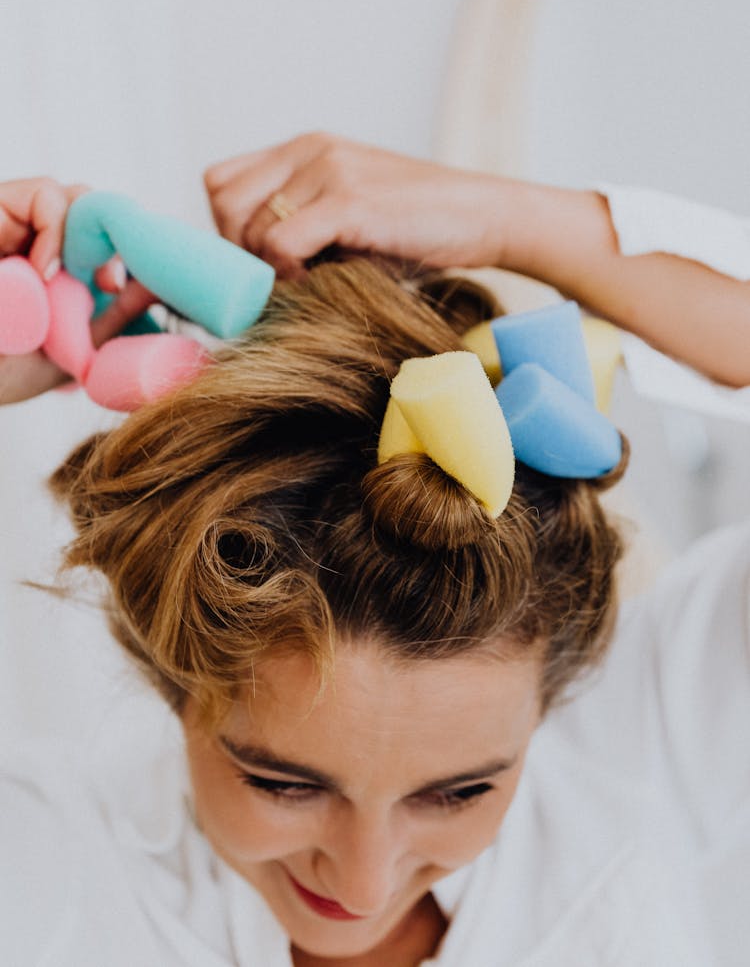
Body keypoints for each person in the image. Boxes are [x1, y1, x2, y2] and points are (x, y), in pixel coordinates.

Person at [1, 139, 748, 966]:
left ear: (550, 694)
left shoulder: (641, 756)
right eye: (283, 783)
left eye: (461, 792)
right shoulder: (46, 866)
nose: (364, 883)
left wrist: (525, 222)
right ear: (172, 672)